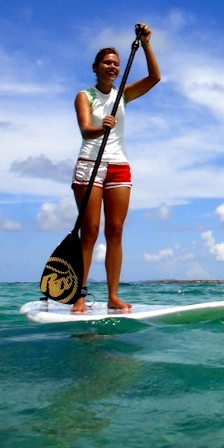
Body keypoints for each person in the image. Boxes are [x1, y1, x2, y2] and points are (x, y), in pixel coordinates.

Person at [70, 23, 161, 313]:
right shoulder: (85, 95)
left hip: (119, 166)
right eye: (107, 62)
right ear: (95, 67)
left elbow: (155, 78)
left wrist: (146, 44)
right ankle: (79, 296)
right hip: (90, 165)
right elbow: (86, 130)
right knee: (91, 230)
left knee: (116, 231)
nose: (113, 67)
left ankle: (112, 296)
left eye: (117, 64)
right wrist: (101, 128)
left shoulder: (123, 95)